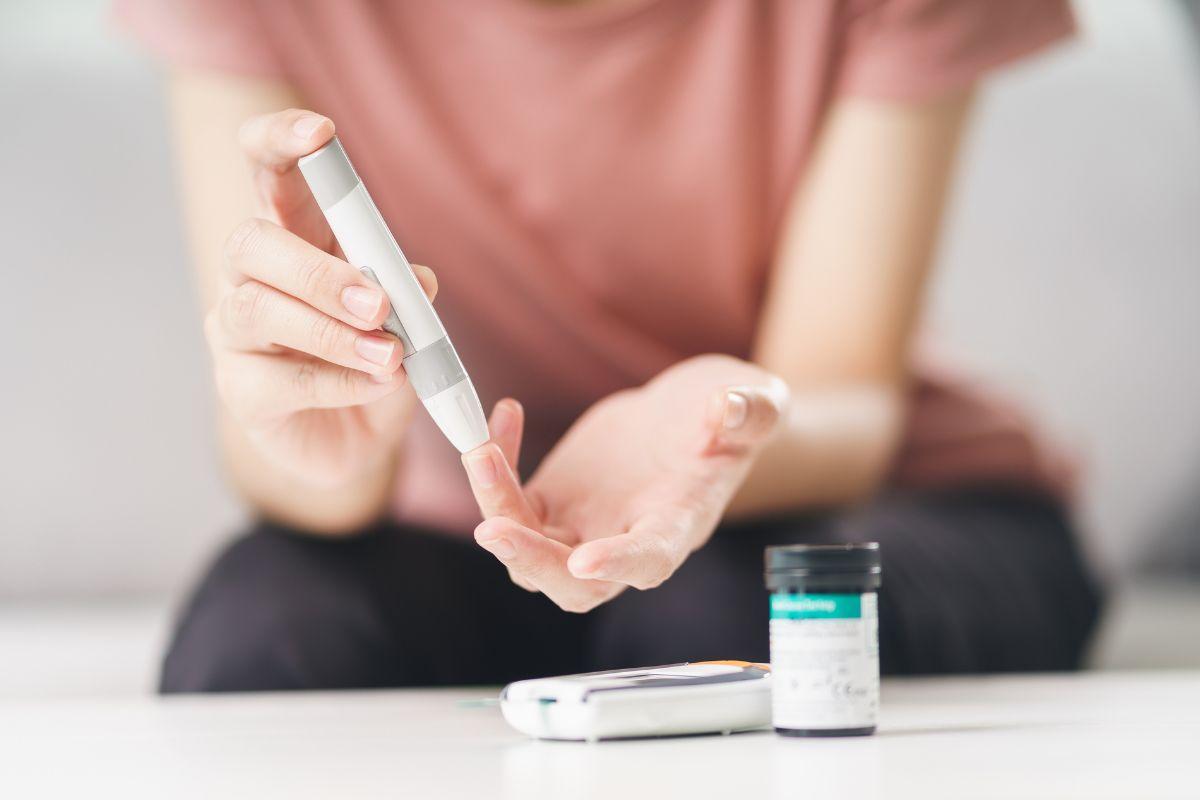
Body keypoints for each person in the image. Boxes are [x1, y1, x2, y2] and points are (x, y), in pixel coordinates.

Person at [116, 0, 1101, 692]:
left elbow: (848, 402)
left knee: (710, 626)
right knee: (262, 634)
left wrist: (715, 423)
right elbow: (275, 446)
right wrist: (345, 431)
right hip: (462, 523)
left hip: (849, 497)